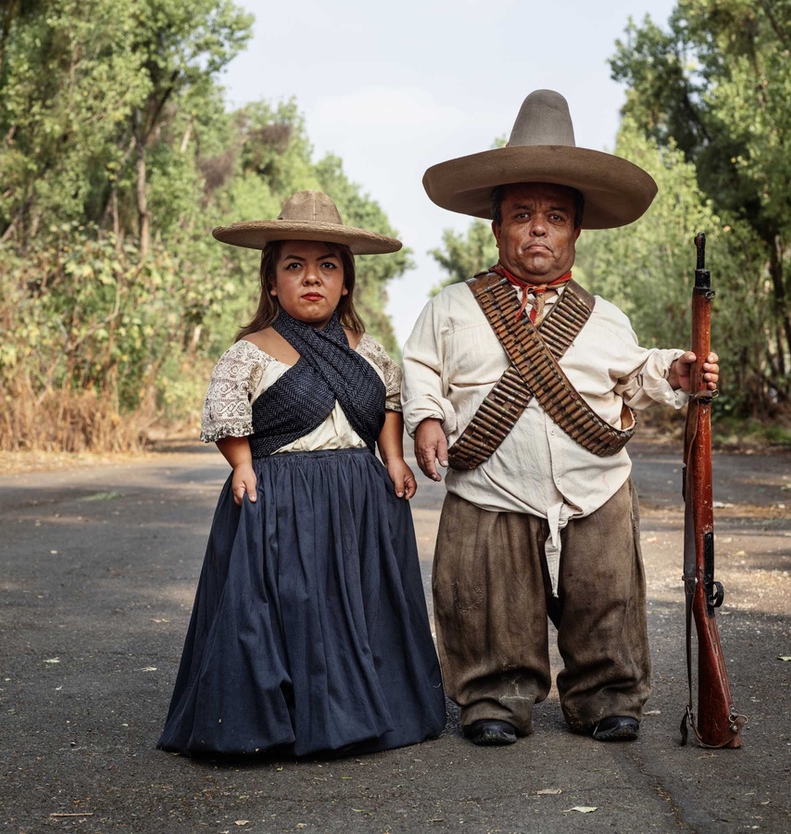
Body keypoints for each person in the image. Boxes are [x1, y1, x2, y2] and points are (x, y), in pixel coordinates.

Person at [401, 90, 720, 747]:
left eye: (554, 216)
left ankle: (605, 695)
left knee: (606, 594)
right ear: (496, 227)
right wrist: (426, 421)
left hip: (592, 481)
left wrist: (677, 373)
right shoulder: (451, 307)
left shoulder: (604, 317)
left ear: (577, 230)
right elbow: (422, 371)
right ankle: (493, 695)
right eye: (522, 214)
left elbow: (635, 370)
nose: (538, 228)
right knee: (486, 600)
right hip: (489, 482)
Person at [158, 190, 446, 758]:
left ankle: (363, 713)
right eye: (295, 266)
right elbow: (228, 412)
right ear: (271, 282)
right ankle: (277, 722)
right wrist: (241, 464)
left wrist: (393, 457)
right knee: (288, 604)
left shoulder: (370, 350)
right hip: (280, 497)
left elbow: (389, 403)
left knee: (358, 607)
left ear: (346, 283)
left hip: (360, 498)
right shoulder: (251, 351)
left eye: (327, 266)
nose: (311, 278)